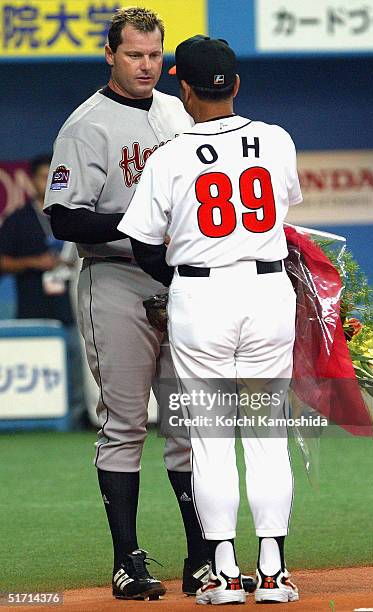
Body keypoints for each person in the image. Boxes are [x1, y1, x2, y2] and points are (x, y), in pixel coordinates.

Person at [43, 7, 228, 602]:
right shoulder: (86, 124)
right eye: (134, 55)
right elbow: (64, 217)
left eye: (154, 55)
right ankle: (128, 561)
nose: (146, 65)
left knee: (188, 426)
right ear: (110, 55)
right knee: (124, 426)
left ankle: (202, 558)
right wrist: (144, 226)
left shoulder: (177, 111)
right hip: (117, 280)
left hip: (180, 284)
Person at [119, 35, 302, 605]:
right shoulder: (275, 140)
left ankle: (222, 573)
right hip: (269, 291)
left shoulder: (169, 154)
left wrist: (182, 270)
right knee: (268, 438)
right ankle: (271, 571)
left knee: (212, 441)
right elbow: (286, 208)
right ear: (236, 85)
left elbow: (144, 244)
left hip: (202, 297)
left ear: (183, 86)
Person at [0, 154, 87, 428]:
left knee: (77, 362)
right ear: (31, 181)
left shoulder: (71, 215)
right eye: (42, 176)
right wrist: (34, 262)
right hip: (32, 307)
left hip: (70, 304)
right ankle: (29, 419)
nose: (47, 182)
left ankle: (78, 417)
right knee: (34, 361)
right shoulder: (19, 219)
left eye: (53, 176)